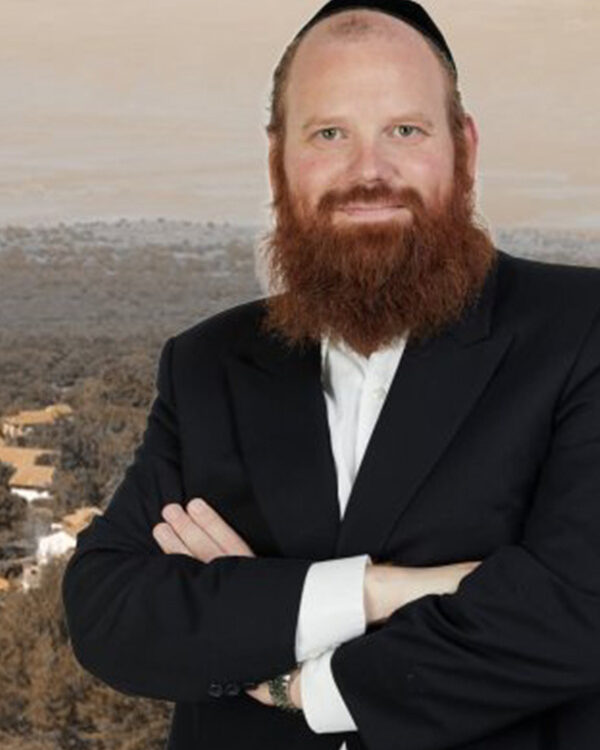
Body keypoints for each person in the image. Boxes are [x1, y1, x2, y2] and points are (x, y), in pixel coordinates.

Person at [62, 2, 600, 749]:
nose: (368, 172)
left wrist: (297, 675)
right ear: (276, 160)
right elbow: (108, 612)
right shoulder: (207, 364)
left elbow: (577, 608)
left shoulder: (581, 329)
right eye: (329, 134)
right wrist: (376, 590)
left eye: (405, 131)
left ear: (465, 149)